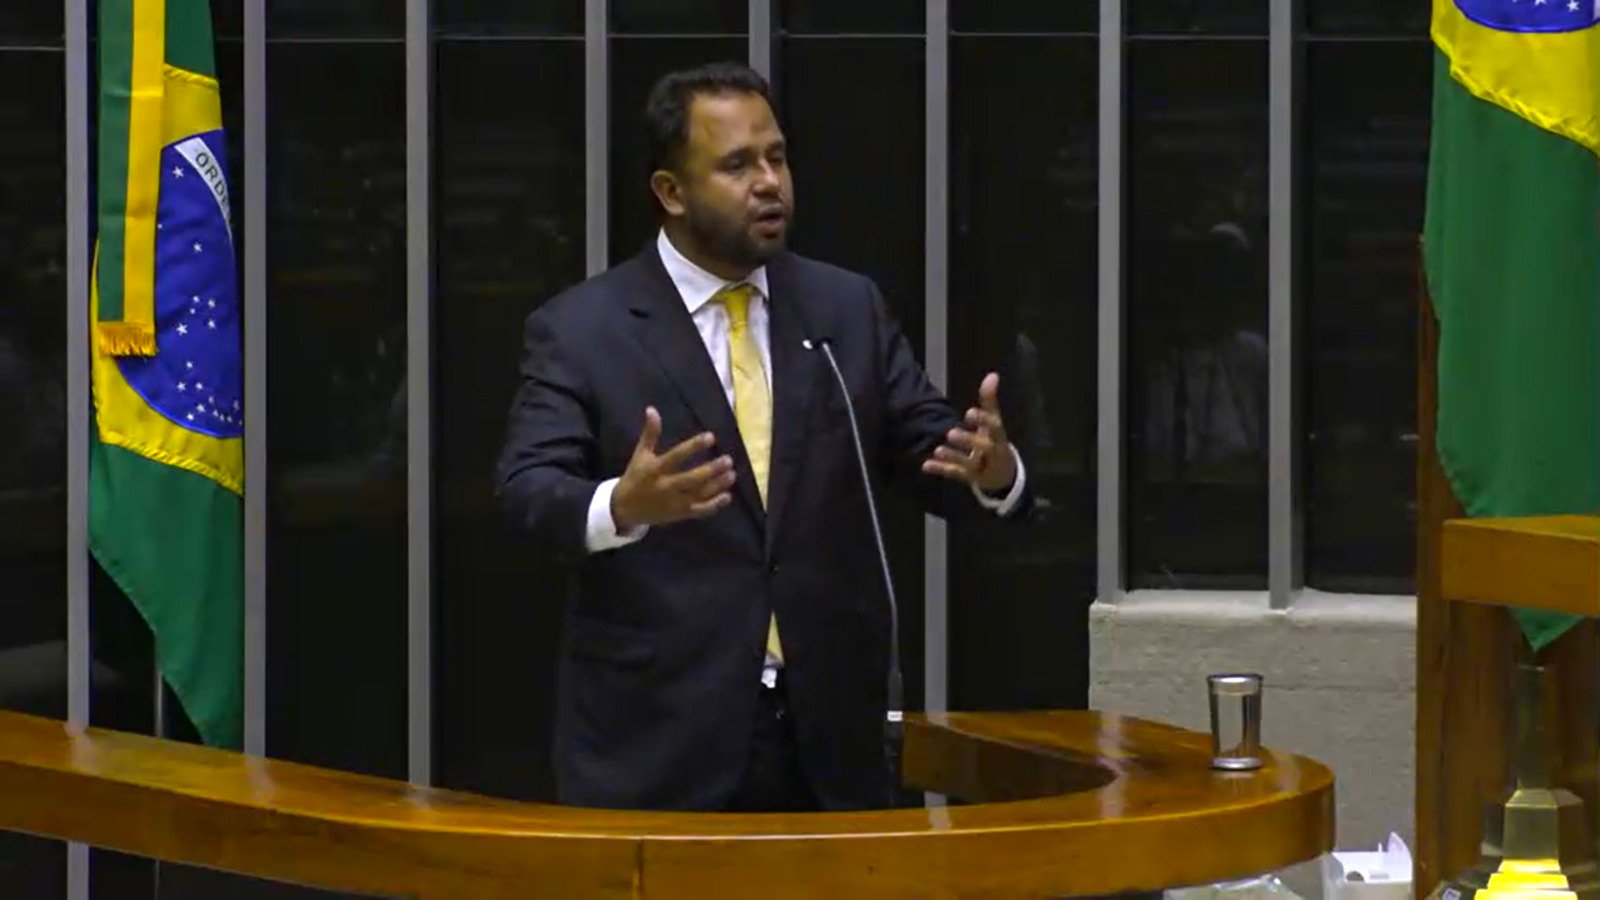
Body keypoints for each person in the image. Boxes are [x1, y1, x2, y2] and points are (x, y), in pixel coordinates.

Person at [495, 61, 1032, 813]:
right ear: (671, 193)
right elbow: (526, 492)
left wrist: (992, 471)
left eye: (777, 157)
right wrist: (622, 504)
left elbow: (928, 444)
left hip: (829, 742)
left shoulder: (844, 309)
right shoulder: (583, 329)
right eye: (738, 164)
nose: (769, 182)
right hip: (664, 744)